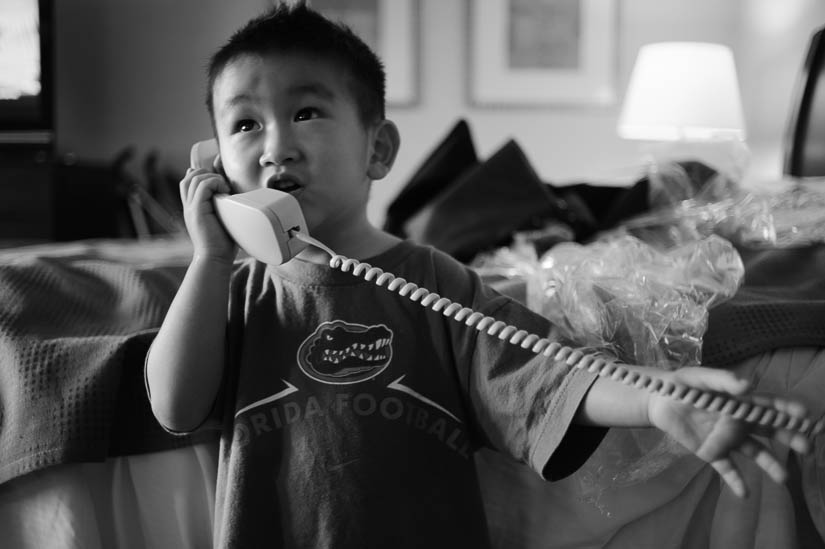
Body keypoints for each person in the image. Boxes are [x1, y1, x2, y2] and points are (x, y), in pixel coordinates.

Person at [145, 3, 815, 547]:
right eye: (242, 124)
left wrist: (655, 396)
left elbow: (547, 376)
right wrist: (209, 256)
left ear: (376, 148)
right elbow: (174, 406)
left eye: (306, 112)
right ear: (213, 168)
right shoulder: (229, 296)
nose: (273, 147)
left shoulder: (434, 280)